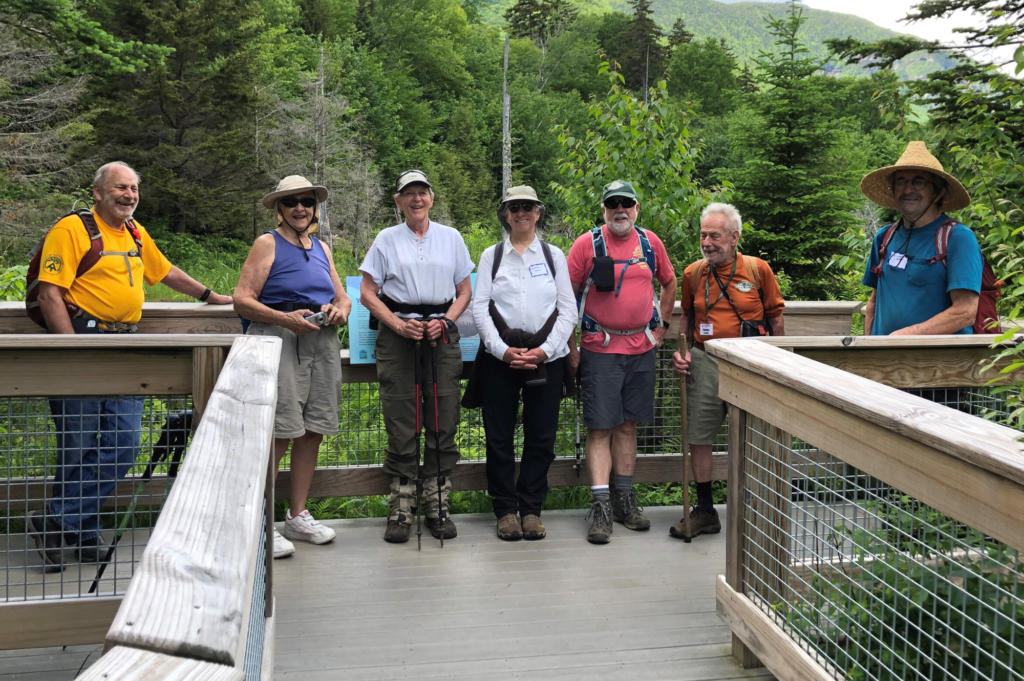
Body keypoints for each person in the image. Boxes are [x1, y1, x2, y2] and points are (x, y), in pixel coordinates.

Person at [27, 161, 233, 572]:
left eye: (134, 188)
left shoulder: (135, 233)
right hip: (83, 342)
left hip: (126, 341)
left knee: (123, 442)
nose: (129, 195)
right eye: (120, 187)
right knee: (77, 444)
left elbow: (165, 271)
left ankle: (55, 522)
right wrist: (72, 352)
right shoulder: (71, 230)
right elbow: (51, 294)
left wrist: (211, 296)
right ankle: (82, 533)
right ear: (98, 193)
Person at [234, 176, 351, 559]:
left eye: (306, 201)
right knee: (280, 431)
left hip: (321, 341)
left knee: (313, 429)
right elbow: (242, 300)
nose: (300, 208)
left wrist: (339, 311)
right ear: (278, 208)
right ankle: (259, 523)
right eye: (291, 202)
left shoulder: (322, 247)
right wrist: (286, 319)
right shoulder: (267, 243)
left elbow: (343, 297)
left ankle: (297, 515)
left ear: (314, 207)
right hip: (280, 341)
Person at [359, 170, 474, 544]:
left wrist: (447, 322)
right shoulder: (386, 239)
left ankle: (438, 500)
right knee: (401, 414)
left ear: (432, 197)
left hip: (440, 334)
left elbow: (464, 290)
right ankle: (402, 503)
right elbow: (367, 292)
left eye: (422, 192)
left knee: (443, 412)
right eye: (408, 193)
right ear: (398, 201)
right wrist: (396, 324)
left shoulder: (451, 238)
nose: (416, 199)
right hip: (399, 337)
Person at [567, 180, 676, 545]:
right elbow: (565, 296)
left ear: (636, 208)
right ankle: (600, 505)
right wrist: (572, 344)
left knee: (628, 426)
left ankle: (625, 499)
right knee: (600, 428)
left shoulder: (650, 242)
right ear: (603, 209)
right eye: (612, 203)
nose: (620, 209)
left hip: (641, 349)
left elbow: (669, 282)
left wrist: (662, 325)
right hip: (600, 348)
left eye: (626, 203)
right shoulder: (587, 245)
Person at [670, 203, 785, 538]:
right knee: (699, 437)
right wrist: (684, 352)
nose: (707, 242)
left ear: (734, 237)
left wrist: (779, 362)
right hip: (705, 360)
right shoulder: (694, 273)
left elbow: (776, 317)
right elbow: (687, 318)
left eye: (715, 236)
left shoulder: (757, 270)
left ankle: (756, 508)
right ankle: (705, 511)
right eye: (704, 235)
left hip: (750, 362)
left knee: (753, 437)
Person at [471, 186, 576, 541]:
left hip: (547, 360)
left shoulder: (553, 256)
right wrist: (501, 350)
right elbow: (480, 307)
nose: (521, 213)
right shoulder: (492, 256)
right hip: (500, 362)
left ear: (538, 212)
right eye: (514, 207)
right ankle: (505, 511)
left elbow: (568, 310)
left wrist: (545, 350)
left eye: (527, 207)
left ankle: (531, 510)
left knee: (541, 437)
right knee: (498, 437)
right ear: (505, 214)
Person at [860, 141, 982, 336]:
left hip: (939, 364)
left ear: (938, 192)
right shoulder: (884, 237)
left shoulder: (957, 239)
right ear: (893, 189)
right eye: (900, 182)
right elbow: (874, 300)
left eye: (919, 181)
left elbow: (965, 312)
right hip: (884, 362)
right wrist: (867, 348)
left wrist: (904, 337)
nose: (908, 190)